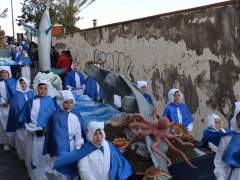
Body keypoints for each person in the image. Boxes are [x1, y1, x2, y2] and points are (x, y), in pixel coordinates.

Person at [53, 121, 133, 180]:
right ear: (90, 135)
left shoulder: (108, 146)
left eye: (100, 133)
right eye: (95, 134)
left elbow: (117, 162)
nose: (98, 137)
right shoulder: (84, 151)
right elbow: (84, 171)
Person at [17, 80, 58, 180]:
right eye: (41, 88)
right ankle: (35, 176)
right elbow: (25, 119)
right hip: (33, 135)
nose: (43, 90)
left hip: (47, 136)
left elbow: (55, 118)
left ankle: (46, 176)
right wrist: (33, 129)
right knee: (33, 156)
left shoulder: (52, 101)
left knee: (46, 157)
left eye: (45, 88)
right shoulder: (31, 101)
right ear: (37, 89)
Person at [44, 90, 84, 180]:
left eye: (71, 102)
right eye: (66, 102)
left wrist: (78, 146)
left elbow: (79, 132)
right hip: (60, 148)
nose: (69, 105)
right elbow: (53, 135)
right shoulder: (55, 116)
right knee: (61, 173)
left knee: (73, 169)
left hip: (73, 145)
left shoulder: (76, 115)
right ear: (62, 102)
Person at [6, 77, 34, 160]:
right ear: (19, 84)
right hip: (20, 120)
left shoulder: (31, 93)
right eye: (21, 83)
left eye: (24, 83)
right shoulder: (16, 95)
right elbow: (14, 108)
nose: (23, 85)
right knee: (21, 138)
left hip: (31, 120)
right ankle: (23, 156)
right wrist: (20, 117)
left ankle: (30, 156)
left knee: (30, 139)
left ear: (27, 83)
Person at [0, 66, 17, 150]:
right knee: (3, 125)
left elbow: (16, 93)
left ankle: (14, 142)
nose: (4, 74)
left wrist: (10, 102)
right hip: (2, 107)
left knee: (13, 124)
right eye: (2, 72)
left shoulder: (14, 82)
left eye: (5, 72)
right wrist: (2, 102)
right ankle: (5, 142)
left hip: (12, 107)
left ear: (9, 73)